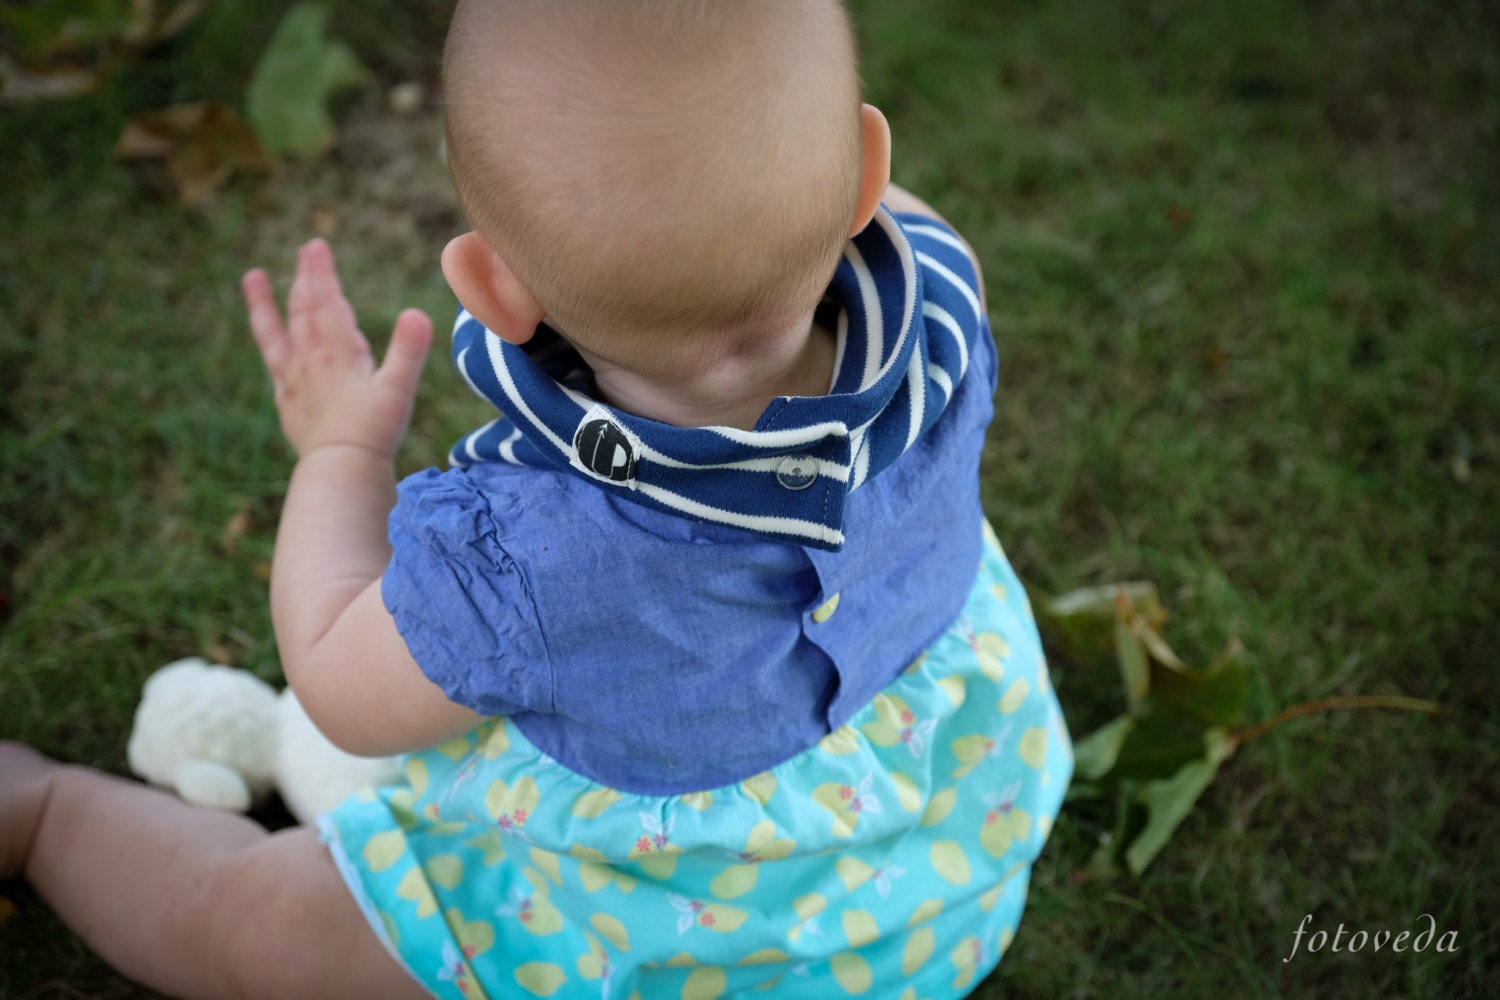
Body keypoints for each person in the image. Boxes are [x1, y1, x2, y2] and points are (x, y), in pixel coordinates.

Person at [0, 1, 1072, 997]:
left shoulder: (531, 555)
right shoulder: (940, 307)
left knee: (253, 926)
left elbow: (336, 674)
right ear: (866, 175)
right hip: (938, 896)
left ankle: (42, 816)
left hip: (674, 950)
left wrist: (339, 449)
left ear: (494, 288)